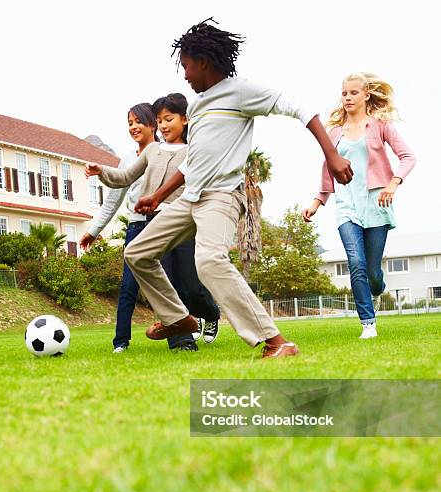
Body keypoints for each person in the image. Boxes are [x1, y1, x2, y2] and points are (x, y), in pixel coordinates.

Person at [122, 19, 353, 359]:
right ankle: (178, 319)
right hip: (190, 198)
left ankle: (277, 342)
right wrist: (157, 196)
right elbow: (194, 162)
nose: (184, 75)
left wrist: (331, 154)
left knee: (210, 260)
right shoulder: (198, 106)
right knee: (137, 253)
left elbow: (298, 108)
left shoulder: (241, 92)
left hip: (221, 196)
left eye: (186, 66)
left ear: (202, 60)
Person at [86, 93, 220, 351]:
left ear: (185, 119)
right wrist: (101, 171)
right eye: (159, 121)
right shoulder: (152, 151)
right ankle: (182, 340)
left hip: (184, 222)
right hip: (154, 223)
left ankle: (210, 313)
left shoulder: (194, 152)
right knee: (165, 281)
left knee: (191, 284)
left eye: (169, 119)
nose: (164, 126)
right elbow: (125, 176)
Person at [303, 72, 416, 339]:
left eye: (353, 93)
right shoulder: (334, 133)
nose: (348, 98)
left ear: (366, 95)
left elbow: (408, 156)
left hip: (377, 203)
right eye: (344, 93)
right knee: (356, 262)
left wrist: (393, 183)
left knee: (373, 272)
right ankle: (368, 323)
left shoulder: (380, 126)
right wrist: (318, 202)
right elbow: (327, 170)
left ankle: (376, 287)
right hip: (346, 206)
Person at [79, 103, 157, 353]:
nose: (134, 127)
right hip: (136, 228)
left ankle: (182, 339)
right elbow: (112, 201)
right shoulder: (127, 161)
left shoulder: (165, 154)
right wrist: (93, 230)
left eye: (139, 122)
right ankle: (121, 342)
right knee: (128, 287)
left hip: (163, 224)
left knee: (171, 284)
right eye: (130, 122)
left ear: (153, 124)